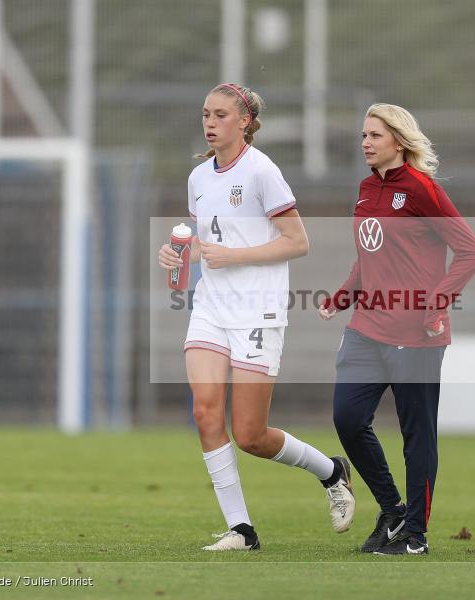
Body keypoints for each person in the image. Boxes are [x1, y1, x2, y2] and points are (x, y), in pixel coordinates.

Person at [158, 83, 355, 551]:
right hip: (210, 306)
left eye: (220, 115)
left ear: (244, 121)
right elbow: (204, 245)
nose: (209, 122)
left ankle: (330, 471)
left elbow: (297, 242)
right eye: (205, 113)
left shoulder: (263, 171)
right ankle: (241, 530)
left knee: (250, 435)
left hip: (257, 311)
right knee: (205, 409)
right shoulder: (198, 178)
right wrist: (174, 255)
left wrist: (234, 256)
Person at [319, 103, 475, 555]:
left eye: (374, 135)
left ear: (398, 140)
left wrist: (436, 304)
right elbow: (370, 258)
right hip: (366, 327)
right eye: (364, 135)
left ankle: (414, 534)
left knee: (417, 436)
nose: (366, 142)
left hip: (417, 336)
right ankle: (392, 509)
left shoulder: (422, 189)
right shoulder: (365, 189)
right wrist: (342, 297)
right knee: (348, 419)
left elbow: (469, 250)